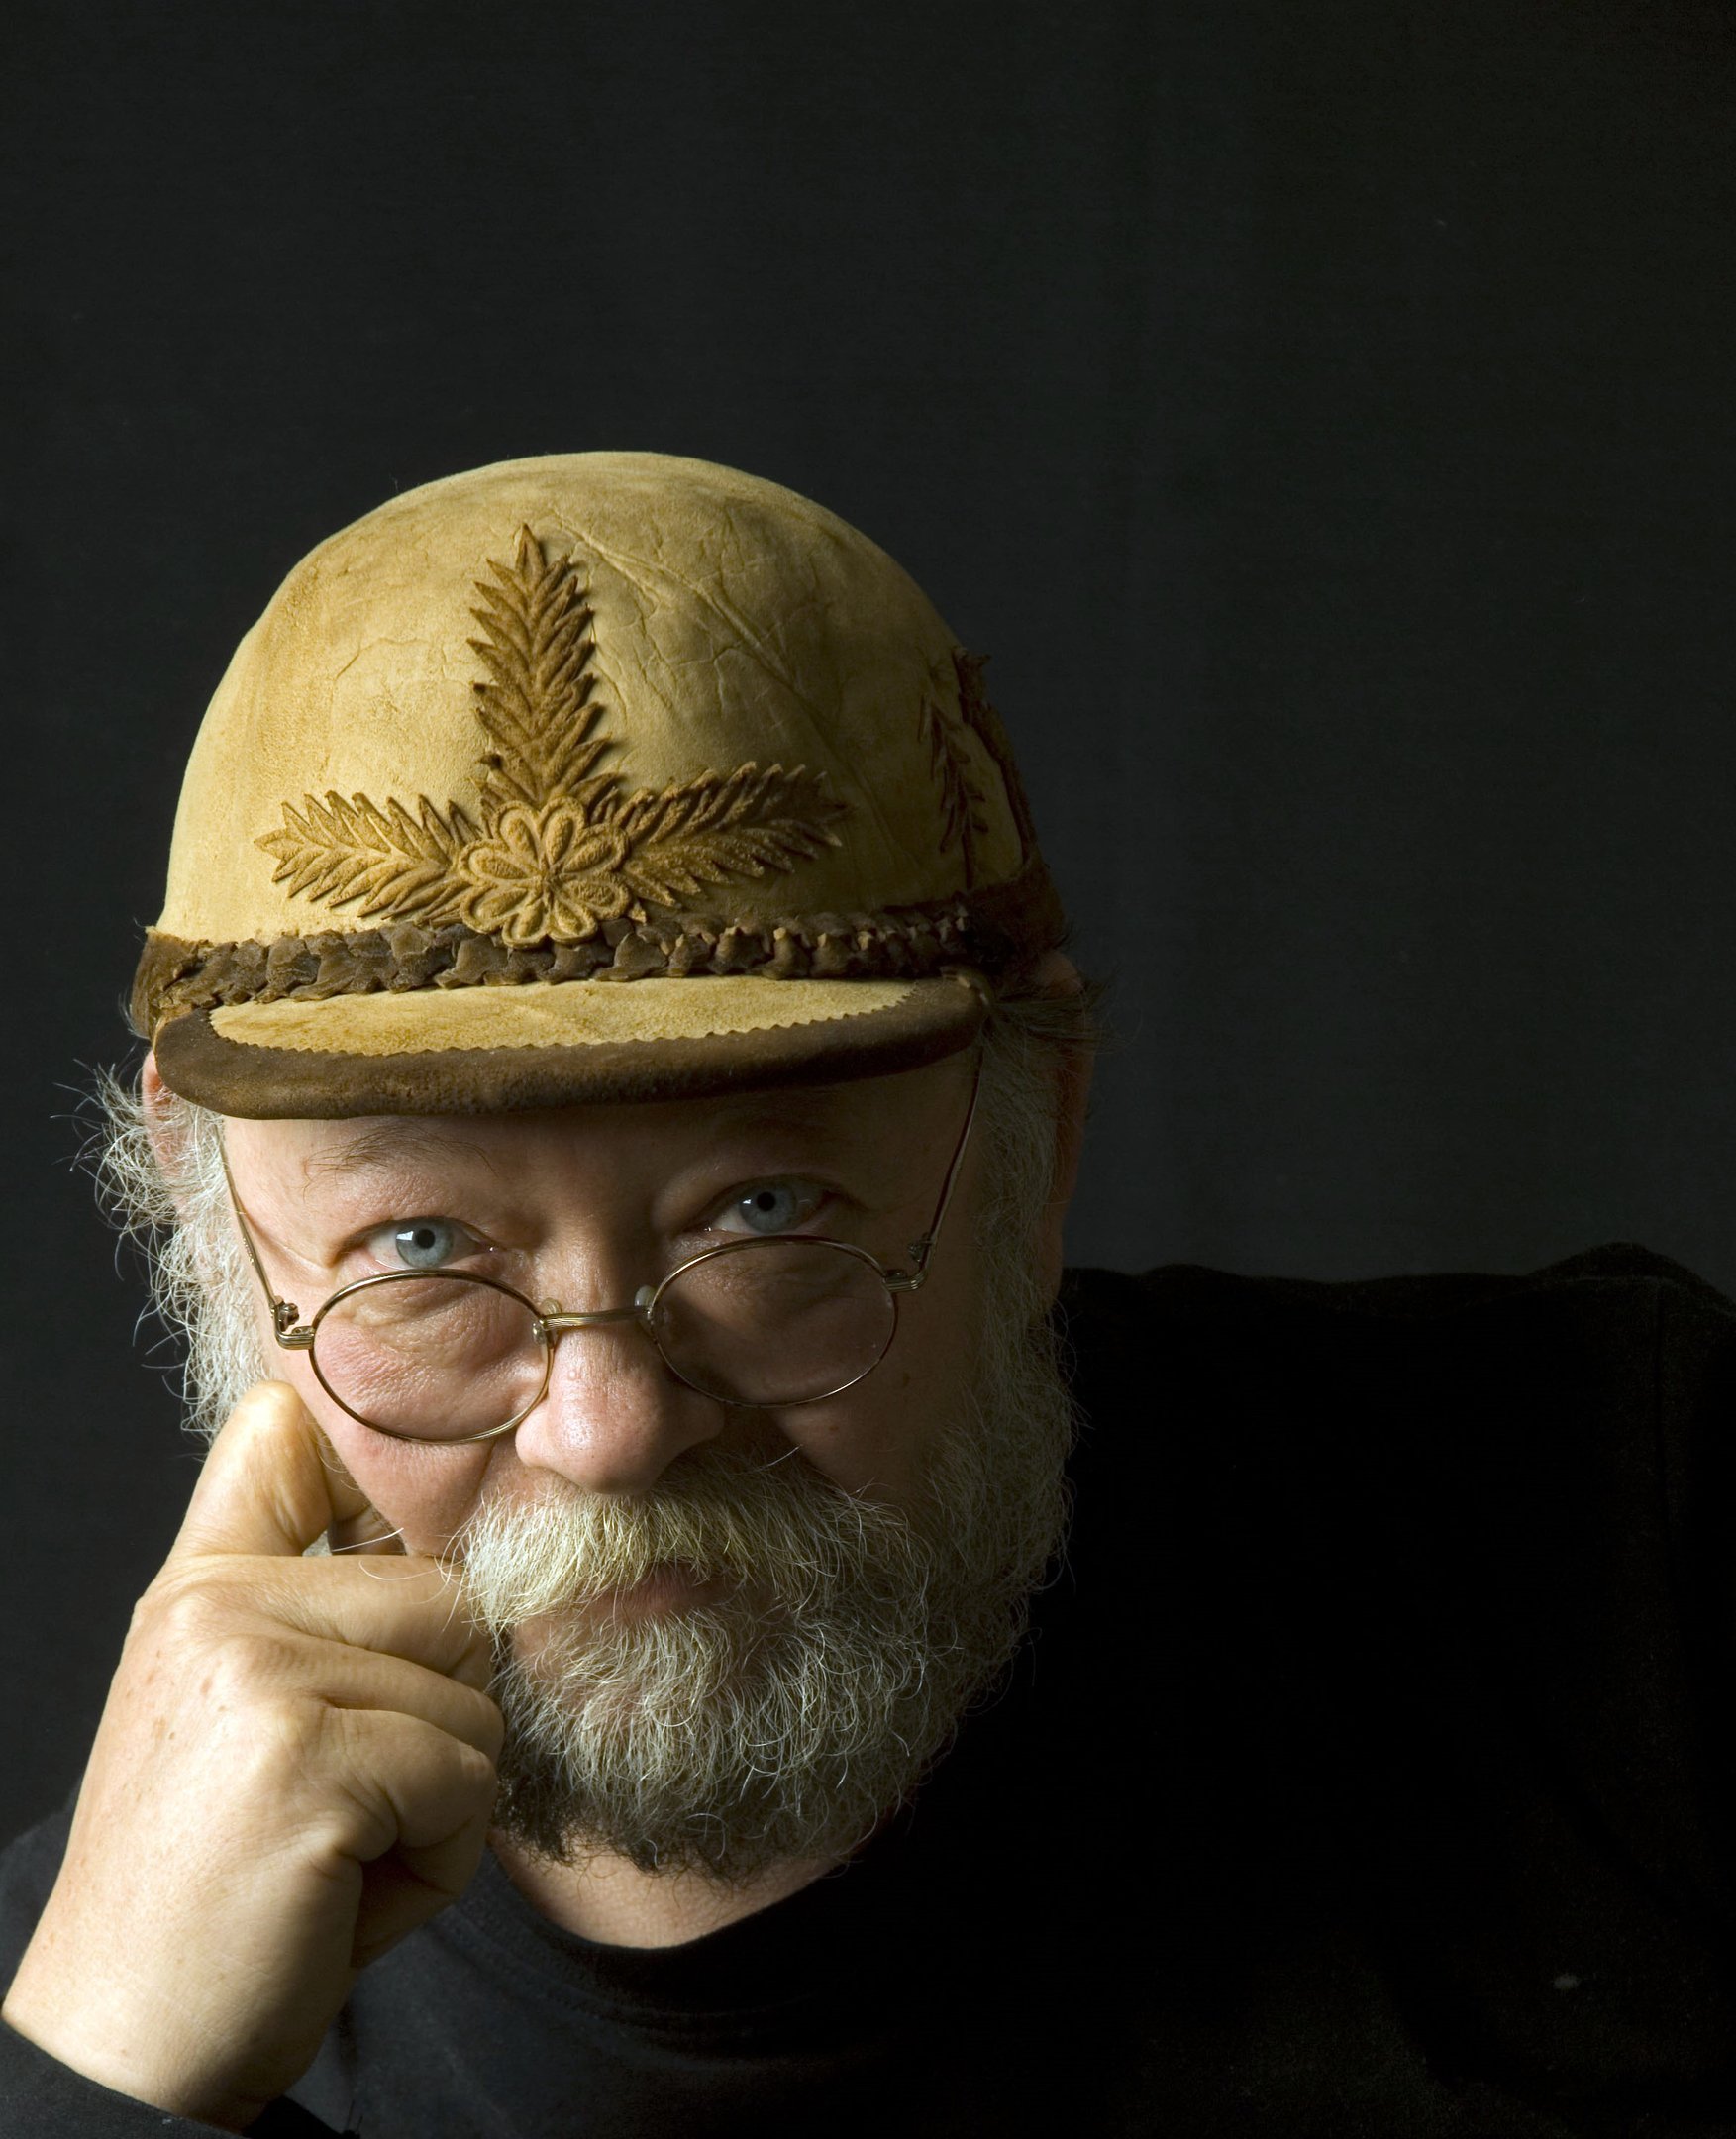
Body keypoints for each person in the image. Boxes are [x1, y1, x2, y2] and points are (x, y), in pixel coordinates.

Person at [2, 453, 1734, 2139]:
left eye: (764, 1214)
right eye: (421, 1250)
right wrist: (102, 2093)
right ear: (204, 1221)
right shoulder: (90, 2012)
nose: (609, 1433)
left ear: (1036, 1143)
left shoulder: (1624, 1534)